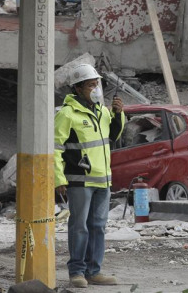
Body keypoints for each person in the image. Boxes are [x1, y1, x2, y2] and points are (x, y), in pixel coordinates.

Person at [54, 64, 125, 288]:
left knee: (98, 226)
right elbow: (55, 148)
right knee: (79, 226)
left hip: (103, 179)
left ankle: (94, 271)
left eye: (97, 84)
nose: (96, 89)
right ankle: (77, 272)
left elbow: (113, 136)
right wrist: (59, 179)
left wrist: (118, 114)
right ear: (78, 88)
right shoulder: (67, 114)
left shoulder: (102, 111)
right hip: (79, 180)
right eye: (91, 85)